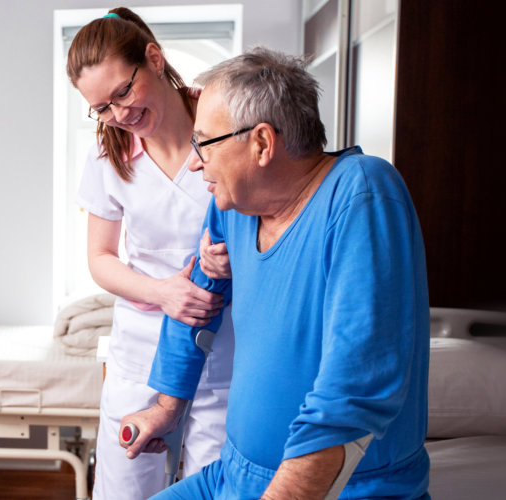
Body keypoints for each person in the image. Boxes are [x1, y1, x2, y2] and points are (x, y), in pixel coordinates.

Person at [121, 47, 432, 500]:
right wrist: (166, 407)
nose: (193, 162)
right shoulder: (234, 207)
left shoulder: (361, 193)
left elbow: (356, 387)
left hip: (346, 489)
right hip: (234, 475)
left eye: (203, 144)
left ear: (262, 143)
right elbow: (195, 298)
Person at [64, 7, 238, 499]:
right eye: (101, 108)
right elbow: (100, 258)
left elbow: (271, 215)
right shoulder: (110, 157)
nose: (119, 115)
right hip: (141, 347)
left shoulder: (223, 120)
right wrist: (163, 293)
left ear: (155, 60)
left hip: (222, 345)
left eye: (123, 92)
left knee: (217, 486)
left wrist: (235, 263)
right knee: (124, 489)